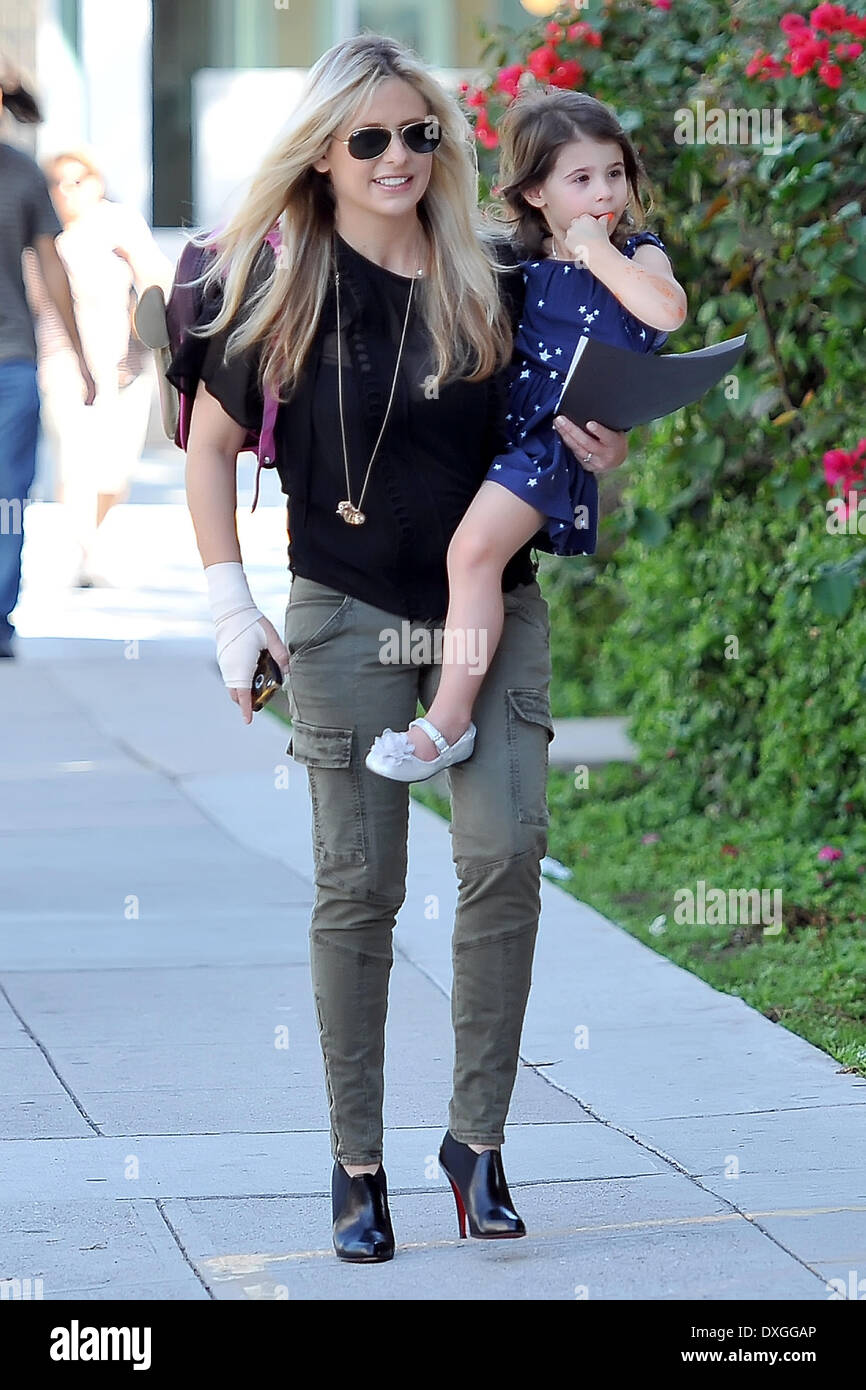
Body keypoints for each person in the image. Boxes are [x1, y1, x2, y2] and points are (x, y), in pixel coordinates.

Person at [168, 33, 630, 1263]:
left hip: (491, 611)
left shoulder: (491, 274)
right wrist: (230, 607)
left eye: (418, 134)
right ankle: (355, 1162)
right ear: (322, 152)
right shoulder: (278, 287)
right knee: (357, 889)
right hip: (342, 611)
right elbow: (208, 450)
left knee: (505, 853)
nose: (396, 158)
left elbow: (567, 417)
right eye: (368, 138)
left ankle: (474, 1144)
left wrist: (600, 447)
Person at [367, 90, 687, 781]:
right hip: (500, 432)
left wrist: (599, 253)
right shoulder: (519, 262)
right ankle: (448, 716)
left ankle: (447, 723)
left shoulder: (637, 253)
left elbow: (668, 312)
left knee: (473, 553)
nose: (604, 192)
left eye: (614, 174)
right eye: (580, 179)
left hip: (552, 438)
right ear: (536, 192)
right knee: (467, 556)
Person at [26, 148, 174, 586]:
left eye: (78, 181)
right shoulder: (46, 232)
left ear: (97, 182)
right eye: (57, 183)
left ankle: (93, 536)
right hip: (62, 360)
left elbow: (160, 283)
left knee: (116, 471)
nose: (67, 192)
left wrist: (132, 256)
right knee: (74, 463)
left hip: (124, 364)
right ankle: (87, 552)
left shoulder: (120, 224)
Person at [0, 60, 95, 658]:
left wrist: (81, 354)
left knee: (9, 496)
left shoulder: (24, 175)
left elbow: (52, 266)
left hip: (11, 360)